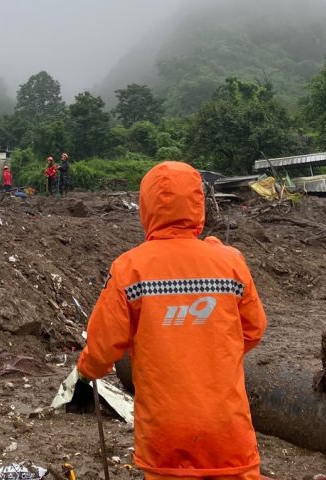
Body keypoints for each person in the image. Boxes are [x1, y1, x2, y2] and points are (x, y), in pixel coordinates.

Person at [77, 161, 267, 480]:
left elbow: (102, 347)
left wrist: (87, 369)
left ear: (146, 206)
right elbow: (254, 330)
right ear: (197, 203)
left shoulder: (130, 269)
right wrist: (212, 353)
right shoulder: (231, 263)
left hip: (165, 434)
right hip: (227, 430)